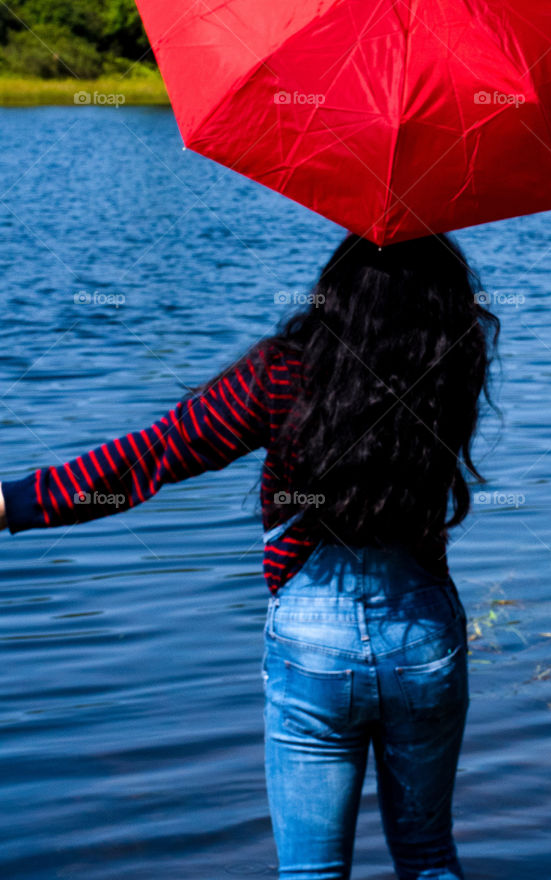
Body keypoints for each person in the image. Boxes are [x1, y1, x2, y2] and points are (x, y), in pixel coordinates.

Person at [0, 231, 499, 880]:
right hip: (421, 633)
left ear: (333, 290)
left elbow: (151, 456)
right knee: (428, 858)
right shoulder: (450, 364)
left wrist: (17, 502)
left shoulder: (282, 374)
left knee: (310, 875)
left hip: (313, 642)